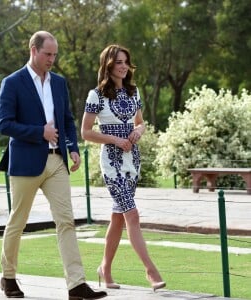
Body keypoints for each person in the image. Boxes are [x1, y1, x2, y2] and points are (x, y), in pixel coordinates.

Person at [0, 30, 107, 300]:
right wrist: (39, 132)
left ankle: (76, 285)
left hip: (56, 161)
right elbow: (4, 124)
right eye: (48, 54)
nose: (52, 59)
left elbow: (67, 120)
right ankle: (8, 277)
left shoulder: (59, 82)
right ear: (33, 50)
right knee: (18, 223)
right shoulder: (12, 83)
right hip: (25, 163)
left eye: (55, 55)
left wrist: (73, 148)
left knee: (66, 221)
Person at [81, 44, 166, 292]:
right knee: (132, 214)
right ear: (108, 64)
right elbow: (86, 132)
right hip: (111, 163)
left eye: (126, 62)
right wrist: (115, 140)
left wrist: (138, 131)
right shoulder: (95, 96)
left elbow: (140, 123)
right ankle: (151, 271)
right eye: (118, 62)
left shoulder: (133, 91)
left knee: (118, 218)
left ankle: (104, 269)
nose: (123, 66)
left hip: (133, 160)